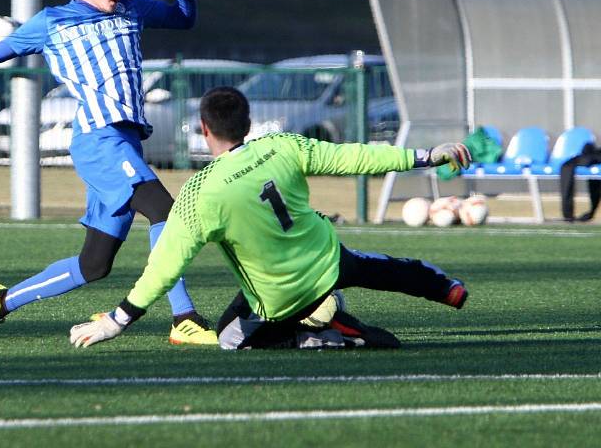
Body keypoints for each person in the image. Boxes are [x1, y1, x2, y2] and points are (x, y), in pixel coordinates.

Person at [0, 0, 217, 345]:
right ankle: (184, 316)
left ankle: (1, 301)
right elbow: (0, 50)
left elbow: (183, 21)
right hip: (99, 140)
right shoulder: (53, 21)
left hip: (125, 140)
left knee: (94, 265)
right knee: (166, 210)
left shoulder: (131, 7)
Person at [69, 86, 472, 350]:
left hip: (279, 299)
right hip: (327, 262)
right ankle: (445, 287)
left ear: (205, 130)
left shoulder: (200, 191)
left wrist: (117, 321)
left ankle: (326, 337)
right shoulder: (283, 145)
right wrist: (425, 156)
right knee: (375, 267)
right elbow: (356, 156)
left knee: (229, 339)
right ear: (247, 124)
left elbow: (164, 266)